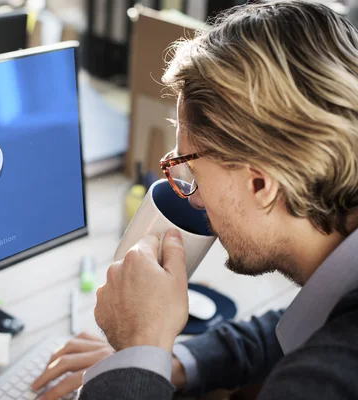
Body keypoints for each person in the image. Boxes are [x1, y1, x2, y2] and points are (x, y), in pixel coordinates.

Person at [31, 0, 358, 399]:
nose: (195, 200)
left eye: (191, 171)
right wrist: (168, 361)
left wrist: (138, 348)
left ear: (261, 185)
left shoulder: (327, 382)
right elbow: (297, 327)